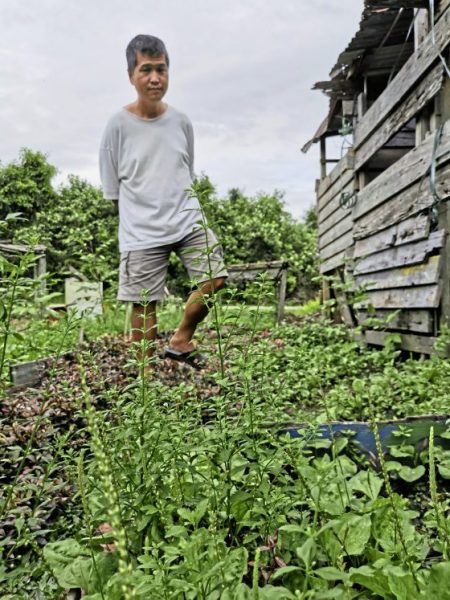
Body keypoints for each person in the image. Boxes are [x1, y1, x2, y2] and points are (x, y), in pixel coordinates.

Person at [99, 34, 227, 371]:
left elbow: (187, 169)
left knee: (214, 278)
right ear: (131, 75)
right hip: (141, 231)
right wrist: (136, 228)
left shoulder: (181, 121)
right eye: (146, 70)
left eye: (161, 69)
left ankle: (181, 340)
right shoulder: (117, 126)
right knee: (145, 307)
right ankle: (144, 382)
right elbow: (112, 189)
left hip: (187, 221)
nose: (155, 78)